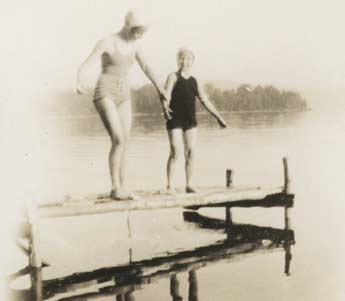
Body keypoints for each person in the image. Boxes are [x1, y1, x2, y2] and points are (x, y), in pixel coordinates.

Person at [76, 10, 170, 200]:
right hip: (105, 92)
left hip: (124, 95)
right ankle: (115, 187)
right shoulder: (108, 42)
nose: (140, 35)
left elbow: (147, 67)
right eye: (138, 31)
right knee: (118, 138)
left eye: (143, 32)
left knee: (124, 142)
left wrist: (160, 89)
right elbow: (87, 64)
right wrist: (79, 80)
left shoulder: (135, 45)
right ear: (128, 26)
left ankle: (123, 188)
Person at [163, 48, 227, 194]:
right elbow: (166, 95)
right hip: (174, 119)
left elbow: (205, 101)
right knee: (175, 151)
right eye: (181, 58)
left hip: (190, 120)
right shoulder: (173, 76)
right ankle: (169, 186)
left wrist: (219, 118)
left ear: (193, 62)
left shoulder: (194, 81)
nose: (184, 61)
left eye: (188, 59)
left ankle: (189, 184)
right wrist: (165, 107)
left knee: (191, 152)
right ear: (177, 60)